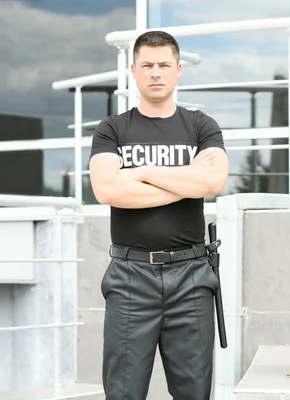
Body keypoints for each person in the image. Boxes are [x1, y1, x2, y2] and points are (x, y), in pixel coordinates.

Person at [88, 30, 229, 400]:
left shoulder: (201, 126)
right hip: (130, 277)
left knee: (194, 392)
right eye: (147, 65)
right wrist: (186, 181)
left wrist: (139, 172)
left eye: (164, 64)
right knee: (123, 392)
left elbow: (213, 180)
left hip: (192, 277)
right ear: (133, 71)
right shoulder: (112, 130)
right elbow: (107, 189)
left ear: (178, 69)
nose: (155, 72)